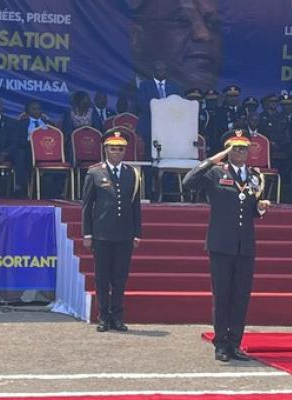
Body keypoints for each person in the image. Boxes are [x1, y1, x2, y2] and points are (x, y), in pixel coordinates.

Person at [182, 129, 270, 362]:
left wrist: (260, 209)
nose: (240, 152)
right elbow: (188, 182)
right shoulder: (214, 173)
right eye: (235, 148)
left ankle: (236, 342)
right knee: (222, 296)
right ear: (227, 150)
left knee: (241, 296)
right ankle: (221, 343)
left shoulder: (254, 177)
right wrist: (215, 158)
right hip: (221, 243)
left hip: (245, 245)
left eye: (243, 148)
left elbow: (250, 209)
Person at [82, 131, 142, 333]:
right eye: (112, 148)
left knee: (119, 277)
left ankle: (117, 316)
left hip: (124, 233)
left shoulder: (132, 173)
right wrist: (87, 234)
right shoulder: (95, 172)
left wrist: (136, 234)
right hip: (102, 233)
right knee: (101, 277)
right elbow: (87, 206)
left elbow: (135, 206)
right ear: (105, 149)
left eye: (120, 149)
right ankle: (103, 316)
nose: (116, 152)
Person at [128, 0, 222, 93]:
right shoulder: (119, 102)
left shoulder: (226, 103)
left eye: (213, 23)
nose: (204, 35)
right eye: (181, 20)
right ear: (137, 38)